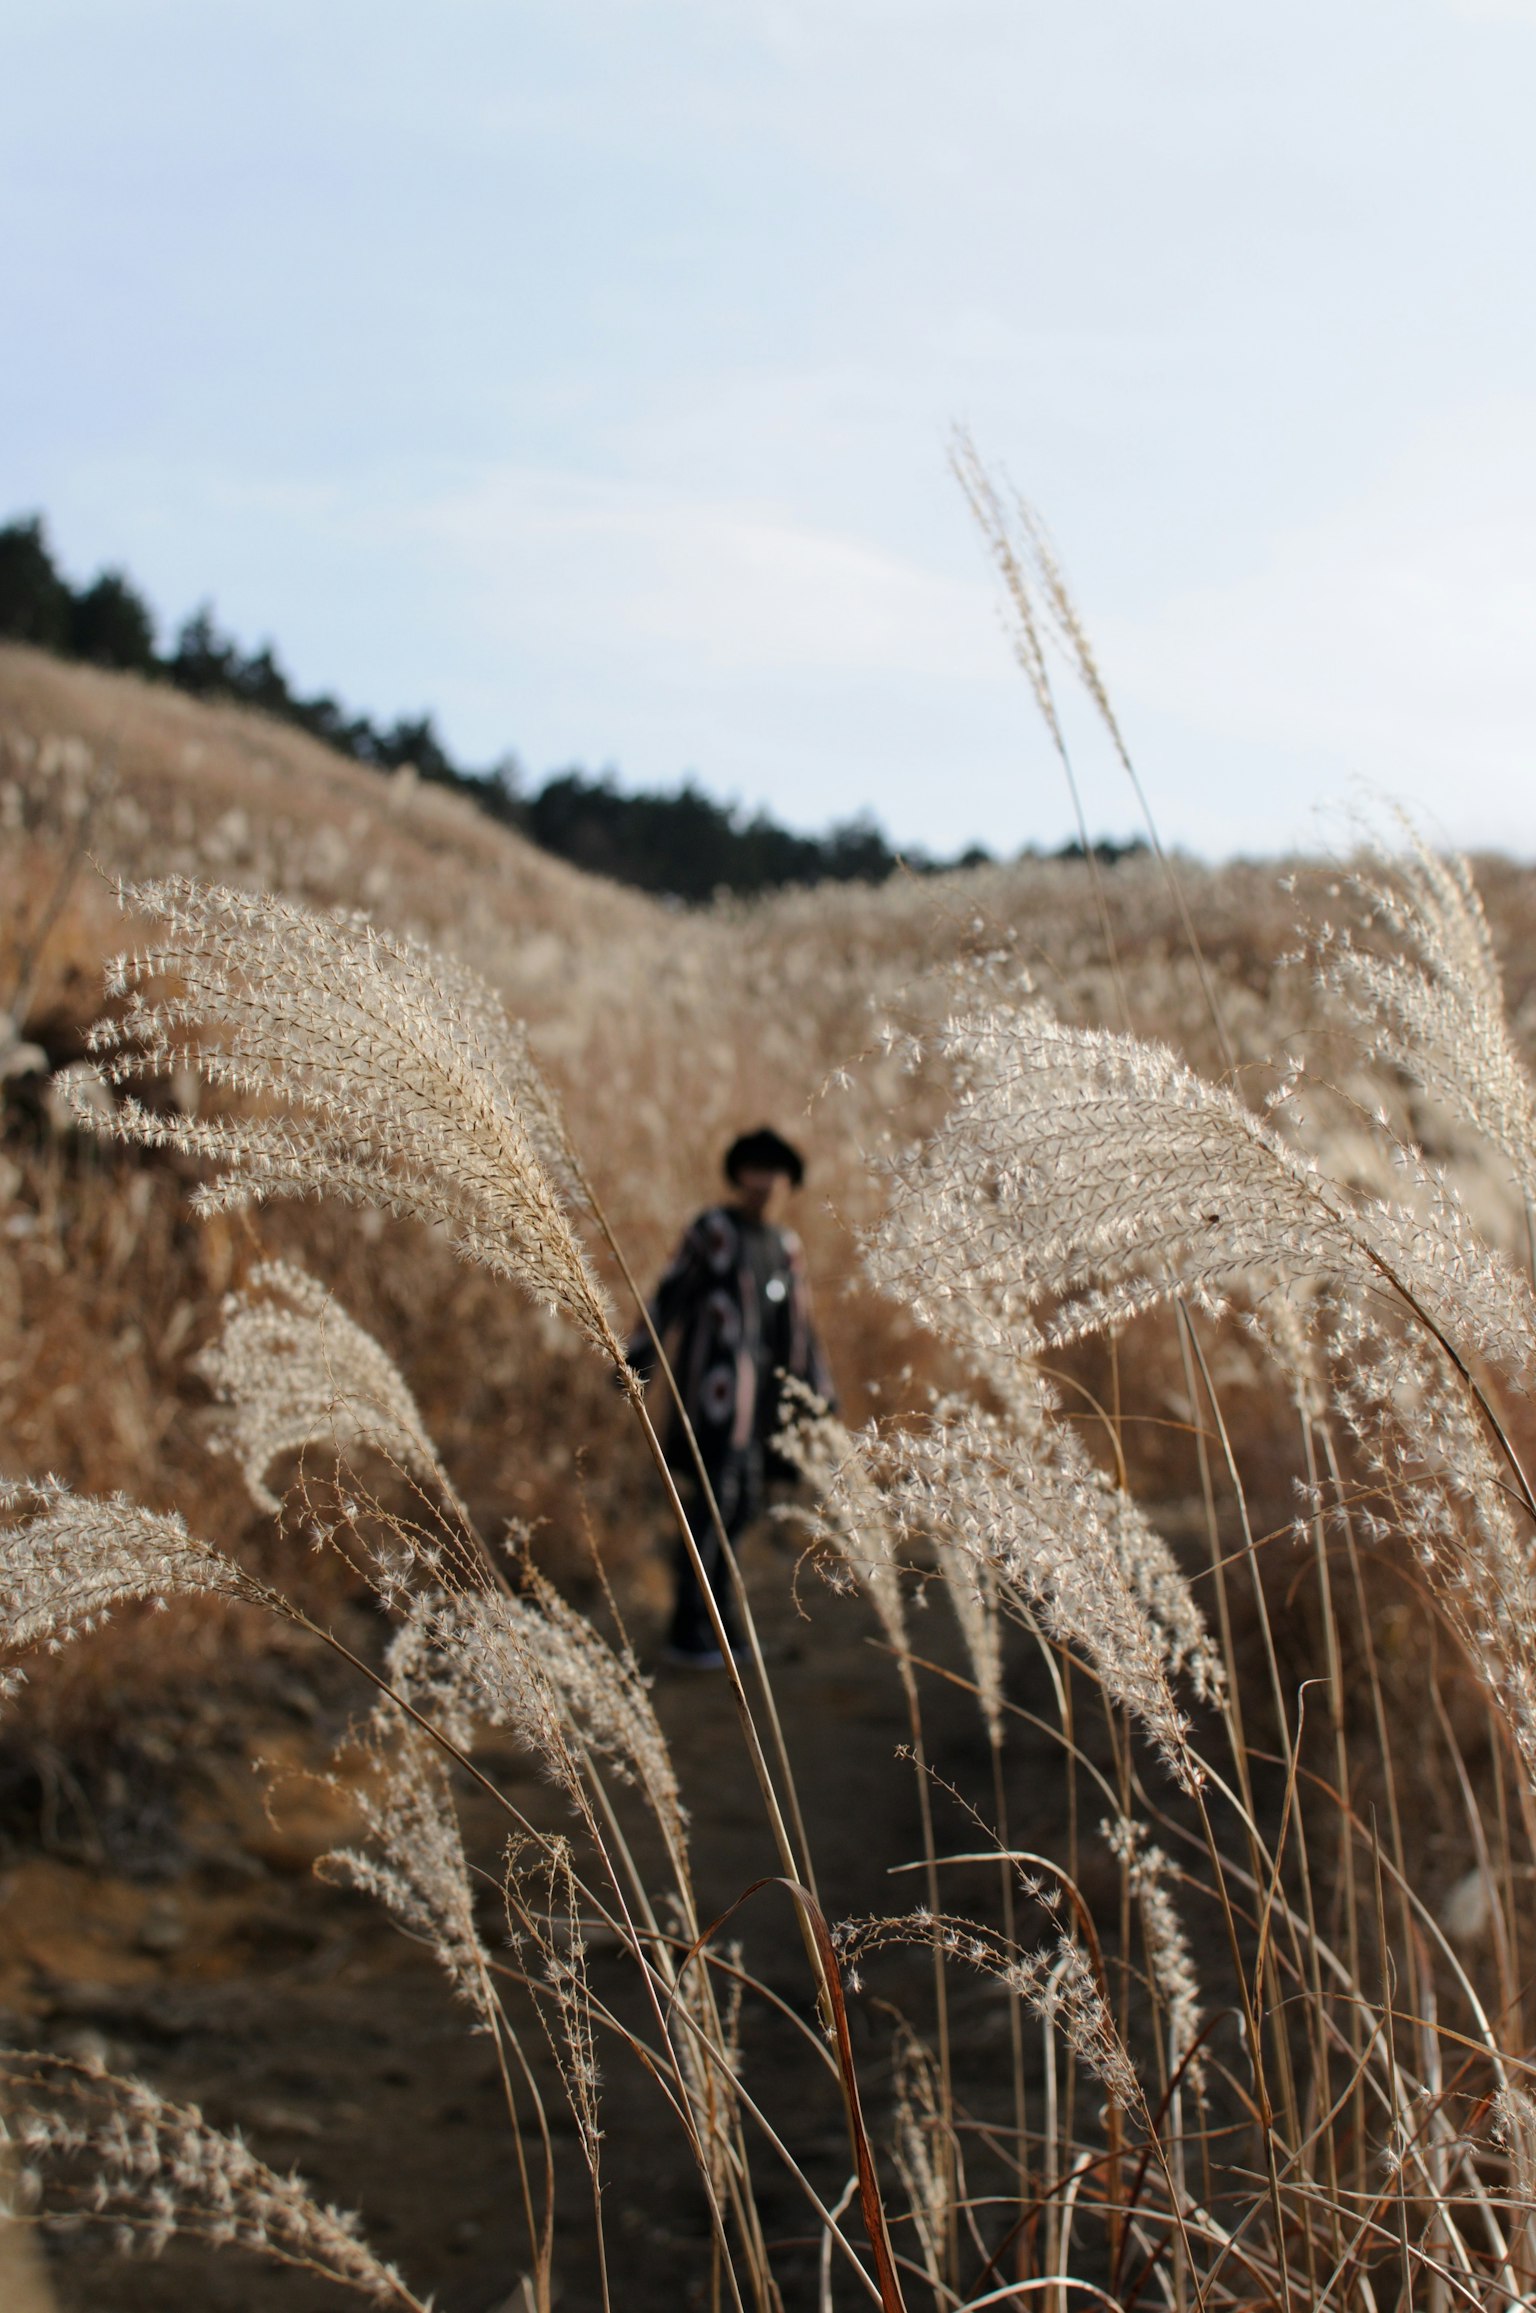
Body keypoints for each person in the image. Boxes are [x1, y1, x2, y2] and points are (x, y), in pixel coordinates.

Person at [624, 1126, 835, 1667]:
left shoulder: (787, 1248)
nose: (766, 1181)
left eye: (777, 1171)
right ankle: (689, 1630)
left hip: (762, 1409)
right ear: (740, 1174)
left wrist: (819, 1394)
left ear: (790, 1181)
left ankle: (721, 1626)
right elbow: (669, 1291)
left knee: (739, 1509)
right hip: (711, 1399)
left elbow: (802, 1329)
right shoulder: (713, 1230)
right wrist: (635, 1357)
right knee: (709, 1510)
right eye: (756, 1168)